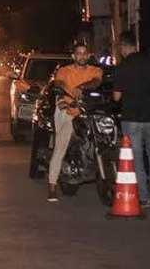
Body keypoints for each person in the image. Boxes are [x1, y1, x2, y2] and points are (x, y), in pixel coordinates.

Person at [112, 31, 150, 208]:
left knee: (136, 157)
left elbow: (116, 97)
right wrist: (149, 92)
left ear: (123, 47)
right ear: (135, 45)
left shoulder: (122, 67)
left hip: (131, 119)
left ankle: (144, 197)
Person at [47, 42, 103, 202]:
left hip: (88, 112)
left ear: (88, 55)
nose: (82, 56)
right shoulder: (64, 71)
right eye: (78, 53)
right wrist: (64, 93)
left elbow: (96, 81)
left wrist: (82, 87)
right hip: (68, 110)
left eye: (84, 53)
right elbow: (59, 83)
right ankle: (52, 186)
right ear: (73, 56)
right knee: (61, 145)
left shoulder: (95, 70)